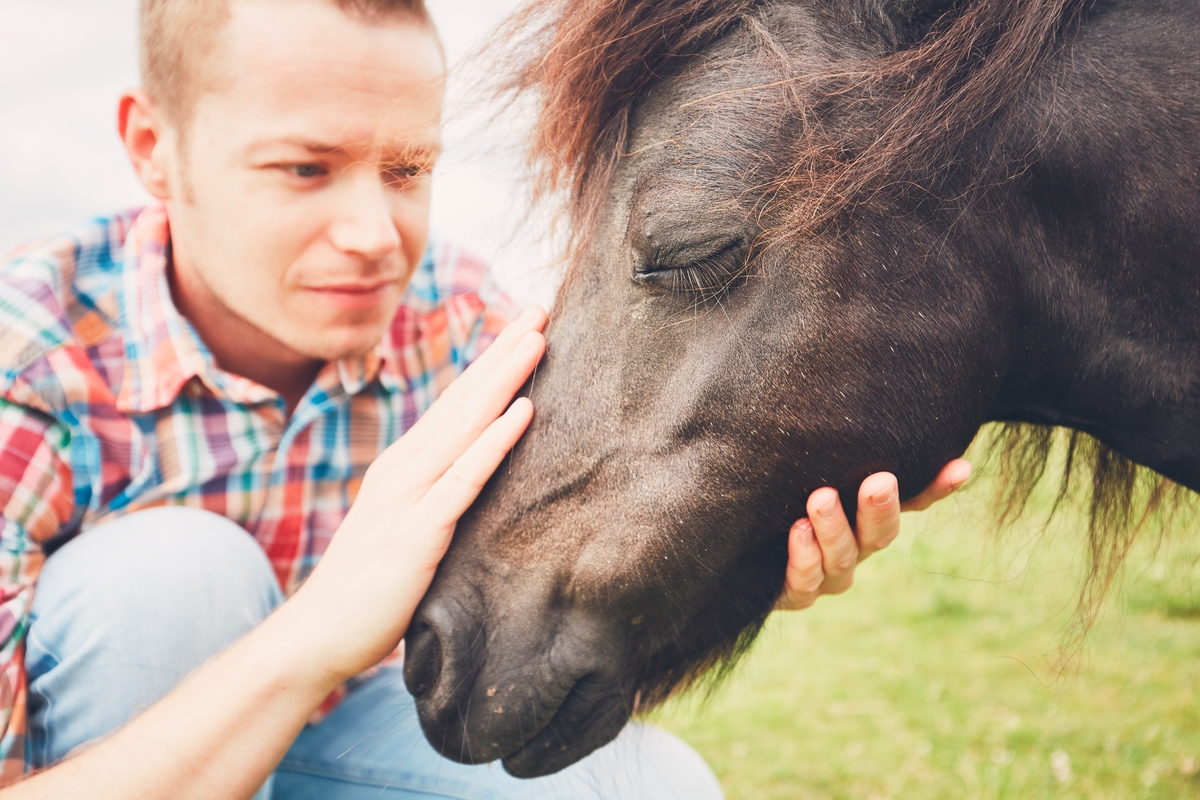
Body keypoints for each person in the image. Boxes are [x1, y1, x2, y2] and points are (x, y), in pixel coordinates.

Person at [0, 0, 972, 797]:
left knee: (658, 788)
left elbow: (576, 564)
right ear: (152, 147)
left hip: (343, 735)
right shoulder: (29, 362)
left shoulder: (462, 324)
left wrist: (741, 547)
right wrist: (310, 636)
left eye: (407, 170)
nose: (374, 234)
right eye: (305, 168)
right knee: (170, 576)